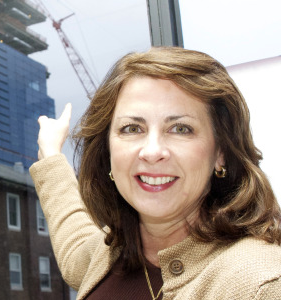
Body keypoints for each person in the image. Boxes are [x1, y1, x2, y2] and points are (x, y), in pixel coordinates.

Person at [30, 47, 281, 299]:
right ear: (108, 153)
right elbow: (73, 243)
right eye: (132, 128)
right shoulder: (109, 255)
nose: (152, 151)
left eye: (180, 129)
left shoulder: (261, 284)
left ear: (220, 152)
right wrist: (51, 155)